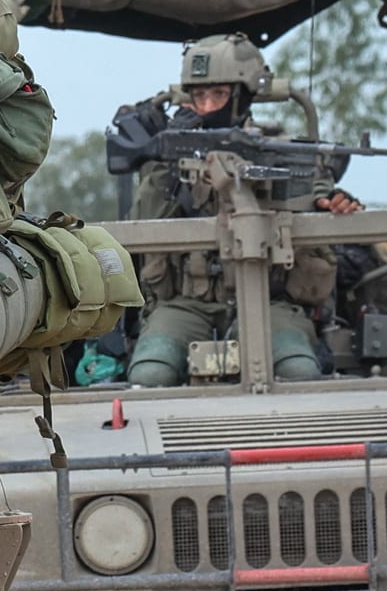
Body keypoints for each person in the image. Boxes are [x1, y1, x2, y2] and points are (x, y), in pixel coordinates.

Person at [125, 35, 334, 385]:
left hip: (269, 301)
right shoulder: (167, 160)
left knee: (298, 370)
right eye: (199, 96)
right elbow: (145, 218)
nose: (207, 107)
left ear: (242, 97)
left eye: (218, 95)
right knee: (149, 373)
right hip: (185, 304)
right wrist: (166, 157)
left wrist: (331, 200)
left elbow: (315, 194)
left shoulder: (282, 152)